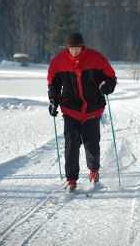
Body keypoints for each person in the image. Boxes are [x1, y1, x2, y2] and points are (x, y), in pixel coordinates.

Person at [47, 33, 117, 191]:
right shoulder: (58, 62)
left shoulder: (95, 58)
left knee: (91, 143)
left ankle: (93, 171)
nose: (74, 52)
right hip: (71, 109)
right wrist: (53, 100)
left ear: (82, 46)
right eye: (71, 49)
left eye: (77, 49)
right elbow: (54, 85)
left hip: (92, 108)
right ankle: (71, 179)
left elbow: (110, 77)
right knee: (71, 144)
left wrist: (107, 85)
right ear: (67, 48)